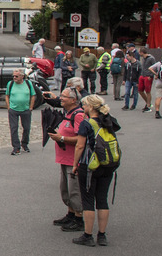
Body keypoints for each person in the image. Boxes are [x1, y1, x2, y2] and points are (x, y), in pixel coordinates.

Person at [70, 95, 119, 246]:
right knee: (102, 199)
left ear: (90, 107)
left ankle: (88, 235)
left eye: (84, 105)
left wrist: (75, 164)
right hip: (108, 165)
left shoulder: (87, 124)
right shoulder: (108, 120)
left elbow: (80, 146)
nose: (82, 107)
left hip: (90, 165)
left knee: (88, 200)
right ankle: (102, 235)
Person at [47, 87, 86, 232]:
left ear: (73, 100)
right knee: (66, 189)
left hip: (74, 160)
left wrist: (61, 138)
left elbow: (81, 138)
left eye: (63, 97)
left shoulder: (79, 115)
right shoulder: (68, 113)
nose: (60, 98)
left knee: (75, 190)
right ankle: (70, 214)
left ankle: (78, 218)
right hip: (64, 158)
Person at [4, 68, 37, 155]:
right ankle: (16, 147)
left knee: (26, 128)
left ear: (22, 76)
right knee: (14, 128)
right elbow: (7, 95)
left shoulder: (28, 83)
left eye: (16, 76)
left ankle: (24, 143)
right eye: (13, 76)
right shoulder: (10, 84)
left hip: (25, 109)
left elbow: (33, 95)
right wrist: (8, 107)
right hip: (13, 110)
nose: (14, 78)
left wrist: (31, 107)